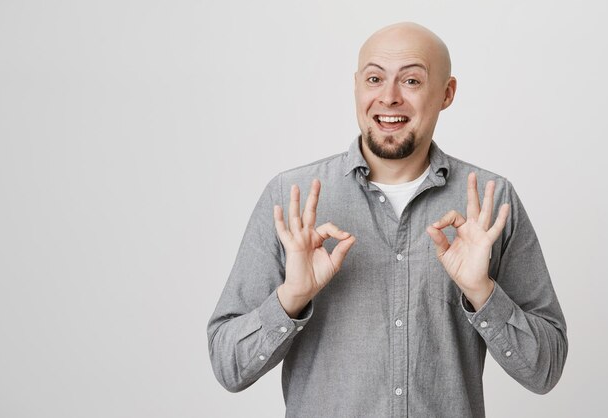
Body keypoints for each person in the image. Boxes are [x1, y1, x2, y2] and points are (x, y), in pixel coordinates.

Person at [207, 22, 567, 417]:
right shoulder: (289, 197)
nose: (389, 97)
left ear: (447, 93)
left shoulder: (491, 203)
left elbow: (545, 370)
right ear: (357, 87)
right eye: (375, 78)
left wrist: (482, 292)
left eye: (411, 80)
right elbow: (229, 367)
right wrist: (291, 298)